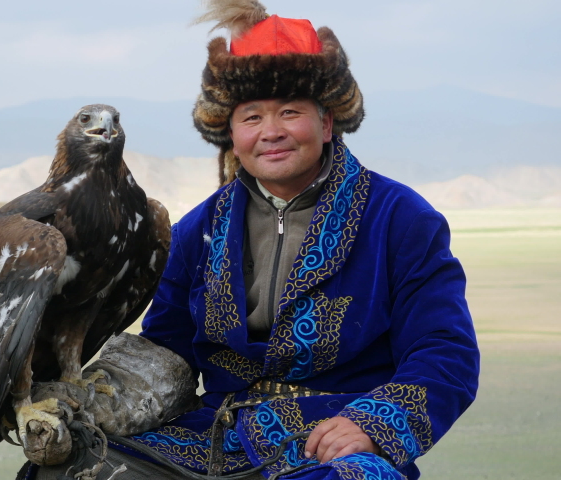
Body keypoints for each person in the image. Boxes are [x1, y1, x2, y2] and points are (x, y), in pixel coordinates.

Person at [26, 2, 479, 479]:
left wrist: (371, 425)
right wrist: (87, 405)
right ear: (231, 133)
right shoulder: (199, 229)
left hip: (331, 444)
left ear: (327, 123)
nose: (271, 132)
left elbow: (444, 350)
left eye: (290, 112)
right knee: (71, 469)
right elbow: (168, 348)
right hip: (213, 440)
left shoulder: (401, 219)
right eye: (252, 117)